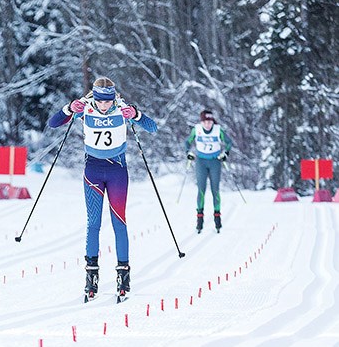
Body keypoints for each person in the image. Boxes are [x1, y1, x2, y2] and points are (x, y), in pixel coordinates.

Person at [47, 77, 158, 302]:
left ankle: (123, 276)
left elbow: (152, 127)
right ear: (94, 97)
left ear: (113, 98)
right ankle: (91, 277)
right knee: (93, 223)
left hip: (117, 172)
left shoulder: (122, 109)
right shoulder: (85, 109)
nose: (104, 106)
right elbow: (53, 123)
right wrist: (68, 108)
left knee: (119, 222)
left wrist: (136, 115)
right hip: (93, 173)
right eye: (100, 101)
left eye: (107, 101)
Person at [184, 109, 234, 233]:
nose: (207, 124)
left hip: (214, 161)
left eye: (209, 122)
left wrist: (225, 153)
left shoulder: (218, 130)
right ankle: (199, 221)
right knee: (201, 190)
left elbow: (229, 143)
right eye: (205, 122)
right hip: (201, 161)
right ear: (201, 122)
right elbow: (187, 142)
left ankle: (217, 220)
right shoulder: (196, 129)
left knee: (215, 190)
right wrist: (188, 153)